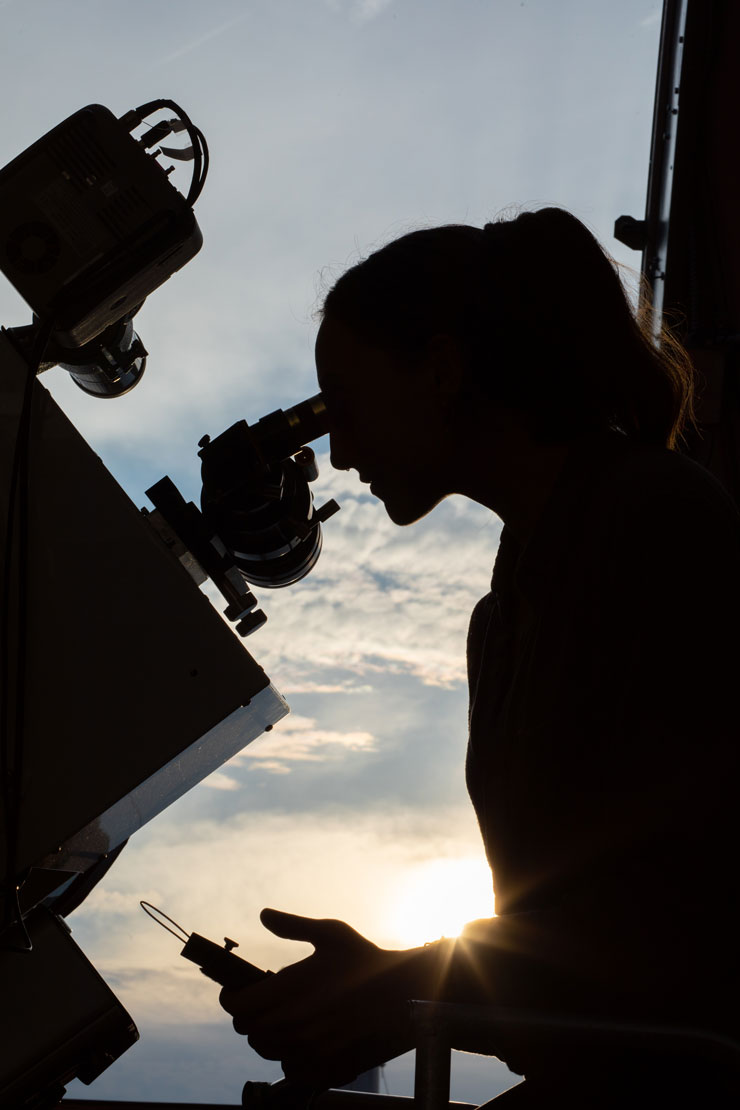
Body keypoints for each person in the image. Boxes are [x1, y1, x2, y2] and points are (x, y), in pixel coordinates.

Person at [220, 209, 740, 1106]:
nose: (338, 453)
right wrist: (398, 992)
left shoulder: (660, 527)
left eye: (346, 407)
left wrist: (406, 990)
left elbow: (690, 925)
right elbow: (570, 955)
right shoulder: (503, 619)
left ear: (443, 372)